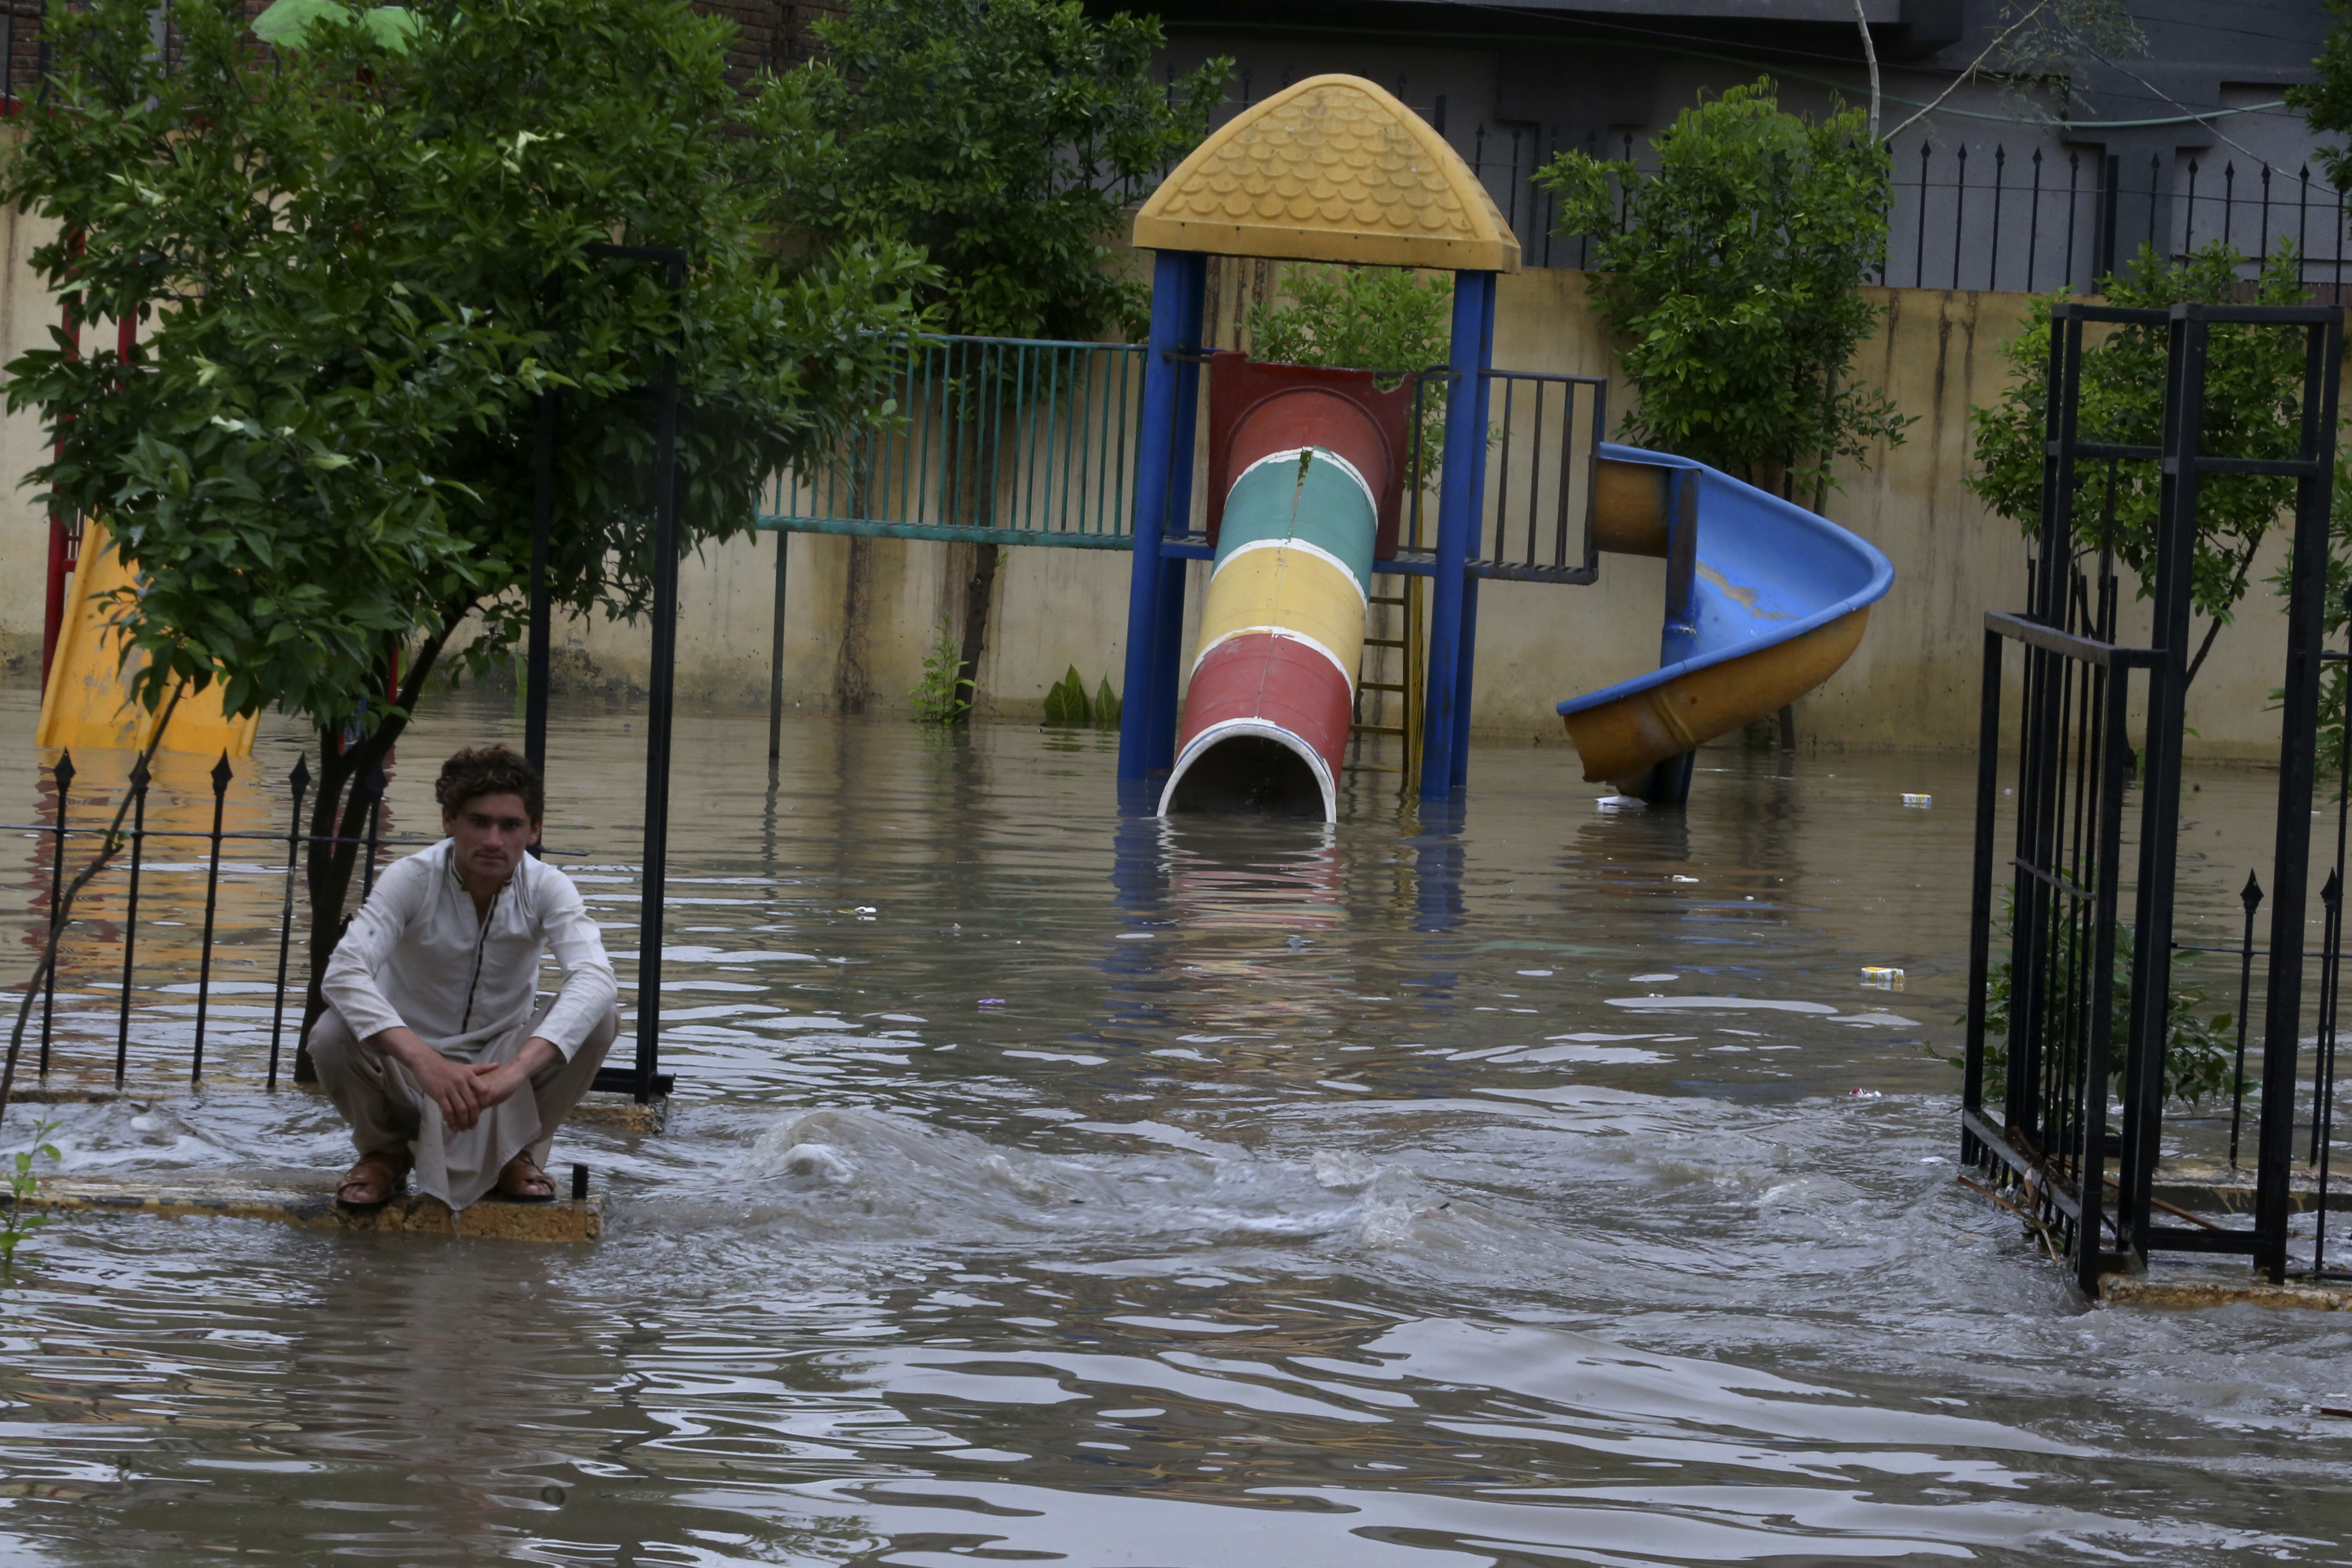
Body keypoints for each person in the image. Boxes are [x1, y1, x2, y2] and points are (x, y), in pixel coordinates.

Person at [307, 746, 619, 1209]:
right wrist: (425, 1063)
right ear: (450, 820)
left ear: (534, 830)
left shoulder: (549, 886)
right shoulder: (410, 878)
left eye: (510, 825)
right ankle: (383, 1153)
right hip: (409, 1069)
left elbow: (595, 978)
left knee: (600, 1017)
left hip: (500, 1071)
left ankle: (516, 1154)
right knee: (331, 1034)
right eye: (479, 821)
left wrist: (512, 1074)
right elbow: (343, 973)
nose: (494, 840)